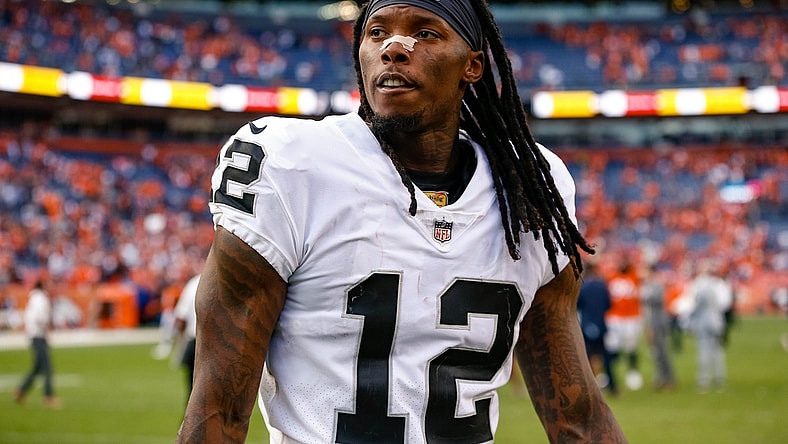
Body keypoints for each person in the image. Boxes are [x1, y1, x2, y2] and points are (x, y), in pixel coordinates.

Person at [178, 1, 626, 442]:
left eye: (426, 33)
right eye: (377, 33)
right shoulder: (291, 165)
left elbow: (578, 419)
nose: (393, 47)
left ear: (472, 65)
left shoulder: (528, 187)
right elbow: (217, 411)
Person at [685, 260, 733, 393]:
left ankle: (704, 381)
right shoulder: (720, 285)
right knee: (717, 351)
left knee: (704, 351)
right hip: (717, 321)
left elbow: (694, 304)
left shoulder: (700, 285)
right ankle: (719, 379)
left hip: (703, 322)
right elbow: (725, 304)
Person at [14, 278, 61, 409]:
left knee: (37, 368)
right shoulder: (41, 299)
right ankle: (48, 396)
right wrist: (46, 326)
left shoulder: (34, 298)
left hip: (35, 334)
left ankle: (21, 390)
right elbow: (39, 317)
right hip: (38, 335)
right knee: (47, 367)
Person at [577, 260, 617, 396]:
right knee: (605, 357)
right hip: (601, 323)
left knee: (587, 358)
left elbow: (577, 306)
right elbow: (609, 304)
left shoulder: (583, 287)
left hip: (587, 324)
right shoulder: (602, 286)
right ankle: (612, 386)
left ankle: (589, 387)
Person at [604, 257, 644, 391]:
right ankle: (609, 375)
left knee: (631, 347)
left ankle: (633, 372)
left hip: (631, 317)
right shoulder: (612, 276)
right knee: (612, 347)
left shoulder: (635, 276)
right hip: (615, 317)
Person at [640, 264, 676, 391]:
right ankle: (660, 378)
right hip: (651, 323)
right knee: (655, 352)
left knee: (662, 352)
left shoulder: (655, 285)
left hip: (657, 323)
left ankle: (669, 379)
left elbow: (656, 300)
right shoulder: (647, 285)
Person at [172, 274, 200, 402]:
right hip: (221, 344)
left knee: (193, 393)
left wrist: (179, 343)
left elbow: (181, 318)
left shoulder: (194, 283)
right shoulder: (224, 278)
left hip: (195, 341)